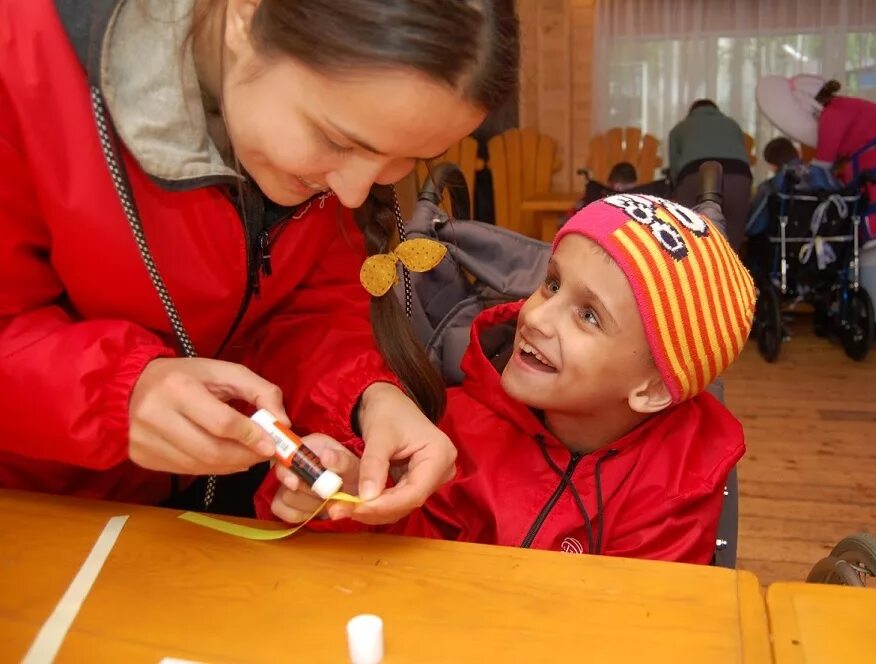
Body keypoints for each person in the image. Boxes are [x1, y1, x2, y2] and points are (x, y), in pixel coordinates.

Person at [0, 0, 518, 518]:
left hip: (168, 523)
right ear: (246, 15)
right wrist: (114, 394)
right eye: (335, 140)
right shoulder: (20, 59)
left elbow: (309, 304)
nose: (356, 193)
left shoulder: (313, 149)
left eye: (406, 159)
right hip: (33, 515)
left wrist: (366, 400)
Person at [258, 194, 757, 563]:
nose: (536, 318)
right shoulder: (463, 428)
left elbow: (639, 624)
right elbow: (406, 549)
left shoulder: (677, 485)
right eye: (552, 284)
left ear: (651, 390)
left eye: (589, 316)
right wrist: (342, 499)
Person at [756, 75, 876, 346]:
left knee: (869, 253)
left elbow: (821, 167)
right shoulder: (851, 108)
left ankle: (871, 324)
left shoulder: (834, 115)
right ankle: (867, 321)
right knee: (864, 252)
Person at [668, 100, 753, 250]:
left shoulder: (680, 128)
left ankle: (699, 270)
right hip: (738, 176)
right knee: (734, 232)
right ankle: (731, 269)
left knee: (691, 231)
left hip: (694, 174)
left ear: (692, 113)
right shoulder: (732, 124)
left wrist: (676, 191)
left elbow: (675, 168)